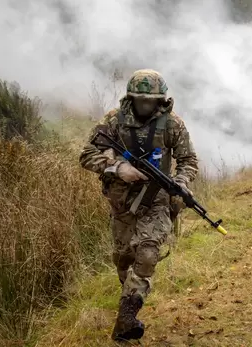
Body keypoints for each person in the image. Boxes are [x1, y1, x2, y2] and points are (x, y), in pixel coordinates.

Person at [79, 69, 199, 341]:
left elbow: (189, 160)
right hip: (122, 201)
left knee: (147, 254)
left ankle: (126, 320)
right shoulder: (113, 121)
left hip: (156, 200)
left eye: (152, 100)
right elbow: (86, 154)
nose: (146, 105)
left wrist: (179, 182)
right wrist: (118, 167)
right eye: (141, 99)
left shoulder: (172, 125)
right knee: (124, 260)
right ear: (131, 98)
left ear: (160, 100)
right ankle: (129, 305)